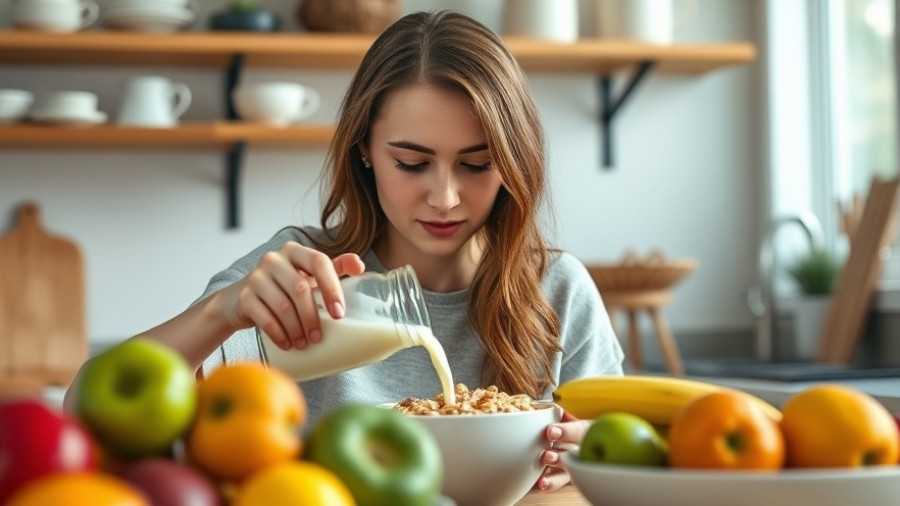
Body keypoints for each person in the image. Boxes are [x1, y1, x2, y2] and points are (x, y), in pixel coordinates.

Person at [65, 9, 623, 492]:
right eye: (411, 163)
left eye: (477, 164)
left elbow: (621, 449)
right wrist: (221, 312)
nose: (445, 197)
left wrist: (593, 452)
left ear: (514, 160)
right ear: (364, 151)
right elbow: (84, 413)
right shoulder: (300, 272)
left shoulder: (558, 289)